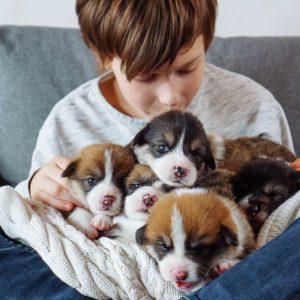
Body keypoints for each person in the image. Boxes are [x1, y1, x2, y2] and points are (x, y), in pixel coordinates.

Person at [0, 0, 299, 298]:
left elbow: (283, 218)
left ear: (206, 41)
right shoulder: (69, 121)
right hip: (108, 274)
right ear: (104, 55)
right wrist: (34, 188)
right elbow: (40, 232)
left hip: (232, 273)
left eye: (186, 68)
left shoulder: (254, 106)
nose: (170, 96)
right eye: (147, 76)